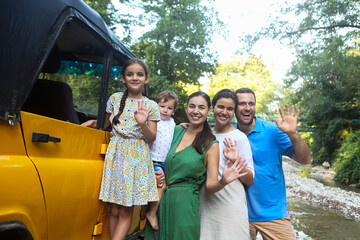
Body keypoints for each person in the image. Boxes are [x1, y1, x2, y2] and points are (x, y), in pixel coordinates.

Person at [144, 91, 248, 240]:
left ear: (208, 111)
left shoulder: (211, 145)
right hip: (159, 205)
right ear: (186, 108)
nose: (196, 111)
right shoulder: (176, 131)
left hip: (185, 208)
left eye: (201, 107)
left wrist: (223, 181)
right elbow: (156, 154)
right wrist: (152, 173)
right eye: (192, 106)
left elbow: (211, 186)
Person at [82, 58, 160, 240]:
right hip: (116, 155)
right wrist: (92, 123)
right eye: (130, 74)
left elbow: (152, 137)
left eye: (139, 74)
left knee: (126, 209)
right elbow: (105, 123)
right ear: (123, 78)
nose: (135, 78)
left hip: (136, 157)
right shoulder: (115, 99)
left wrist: (142, 124)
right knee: (114, 209)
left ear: (146, 78)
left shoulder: (151, 106)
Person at [234, 87, 312, 240]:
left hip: (273, 214)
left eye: (251, 103)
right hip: (240, 215)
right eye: (242, 103)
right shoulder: (229, 134)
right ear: (234, 107)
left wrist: (293, 134)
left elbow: (305, 160)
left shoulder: (272, 130)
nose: (247, 108)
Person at [199, 89, 254, 240]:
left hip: (231, 206)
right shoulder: (203, 134)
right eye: (221, 107)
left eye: (230, 109)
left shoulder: (239, 138)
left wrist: (236, 161)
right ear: (213, 108)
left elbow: (249, 179)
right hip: (205, 204)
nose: (224, 112)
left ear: (234, 112)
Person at [146, 90, 178, 230]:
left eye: (169, 108)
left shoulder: (172, 123)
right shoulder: (152, 120)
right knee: (161, 185)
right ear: (155, 106)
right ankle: (151, 213)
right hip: (152, 159)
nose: (165, 110)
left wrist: (182, 126)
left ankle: (145, 211)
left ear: (174, 111)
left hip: (165, 161)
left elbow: (175, 131)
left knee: (159, 186)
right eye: (162, 106)